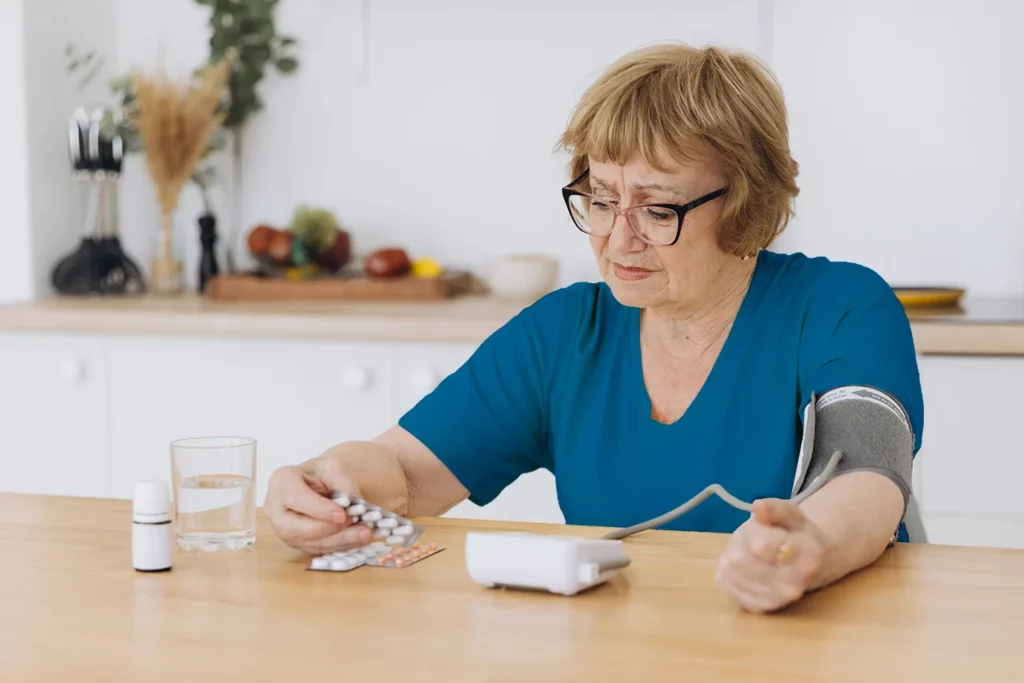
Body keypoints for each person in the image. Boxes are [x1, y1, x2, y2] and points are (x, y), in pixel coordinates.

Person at [264, 43, 923, 613]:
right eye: (601, 198)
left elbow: (868, 479)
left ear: (746, 202)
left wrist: (810, 545)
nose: (617, 237)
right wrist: (329, 481)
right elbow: (405, 472)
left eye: (658, 208)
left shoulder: (841, 305)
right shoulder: (563, 334)